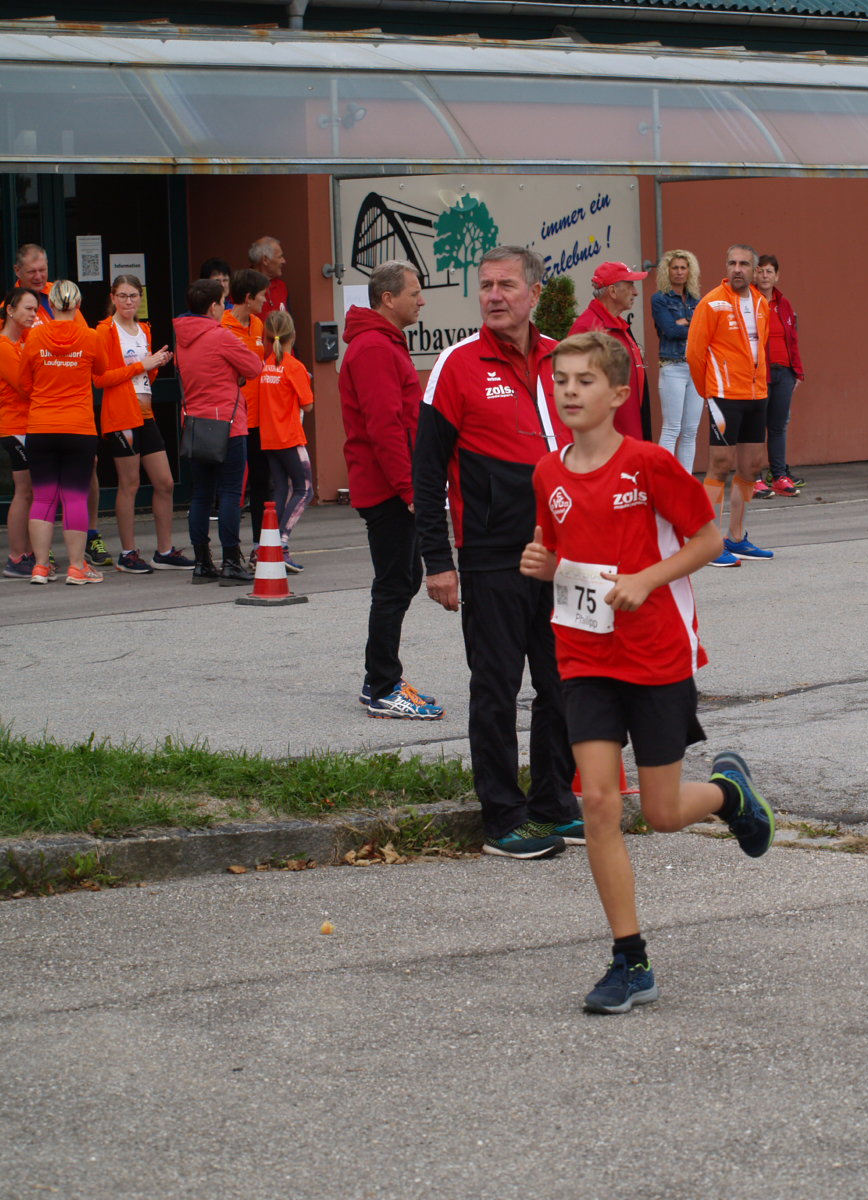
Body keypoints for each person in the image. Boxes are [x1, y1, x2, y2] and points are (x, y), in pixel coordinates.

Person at [521, 330, 775, 1014]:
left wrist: (647, 578)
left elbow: (709, 539)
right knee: (599, 804)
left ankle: (728, 794)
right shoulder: (547, 473)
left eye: (584, 381)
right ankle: (629, 960)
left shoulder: (648, 463)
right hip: (584, 655)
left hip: (655, 654)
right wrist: (545, 565)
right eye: (561, 381)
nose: (569, 391)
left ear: (618, 394)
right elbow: (565, 554)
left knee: (661, 813)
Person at [414, 245, 583, 859]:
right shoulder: (457, 364)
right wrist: (438, 561)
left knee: (565, 683)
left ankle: (554, 804)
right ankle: (503, 818)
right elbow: (426, 473)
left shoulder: (565, 359)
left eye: (506, 285)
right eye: (485, 285)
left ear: (534, 293)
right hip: (491, 554)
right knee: (496, 687)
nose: (493, 295)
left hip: (564, 554)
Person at [340, 260, 444, 720]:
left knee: (403, 580)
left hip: (392, 485)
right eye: (414, 292)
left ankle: (379, 680)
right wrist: (409, 490)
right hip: (386, 488)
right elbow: (384, 426)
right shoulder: (374, 348)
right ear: (388, 298)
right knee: (395, 584)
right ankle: (382, 686)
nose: (421, 300)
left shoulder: (382, 343)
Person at [21, 280, 161, 585]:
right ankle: (76, 567)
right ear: (78, 305)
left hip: (41, 425)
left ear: (50, 305)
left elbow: (24, 381)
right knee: (74, 497)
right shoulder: (90, 337)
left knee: (42, 498)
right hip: (77, 426)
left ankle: (41, 567)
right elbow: (99, 371)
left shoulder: (34, 336)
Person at [685, 243, 775, 567]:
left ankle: (736, 538)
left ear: (754, 270)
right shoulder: (712, 303)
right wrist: (709, 392)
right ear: (726, 267)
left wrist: (760, 386)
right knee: (720, 465)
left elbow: (760, 349)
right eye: (732, 263)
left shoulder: (762, 303)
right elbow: (694, 353)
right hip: (724, 395)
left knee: (751, 466)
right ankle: (708, 543)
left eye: (744, 264)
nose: (737, 269)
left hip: (756, 395)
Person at [96, 274, 188, 575]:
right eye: (122, 296)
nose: (128, 301)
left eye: (133, 295)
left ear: (140, 298)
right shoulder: (104, 331)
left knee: (165, 482)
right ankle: (127, 553)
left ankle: (164, 551)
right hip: (121, 415)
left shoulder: (143, 329)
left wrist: (156, 363)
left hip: (146, 413)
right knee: (130, 483)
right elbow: (100, 378)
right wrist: (141, 365)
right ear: (113, 298)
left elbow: (145, 377)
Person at [173, 278, 263, 585]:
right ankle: (231, 561)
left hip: (195, 423)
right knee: (229, 494)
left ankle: (202, 563)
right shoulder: (220, 335)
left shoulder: (182, 337)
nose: (224, 308)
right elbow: (254, 367)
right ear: (212, 306)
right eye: (223, 303)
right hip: (227, 422)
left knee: (201, 495)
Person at [0, 287, 38, 578]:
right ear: (11, 311)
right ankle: (17, 557)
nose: (33, 314)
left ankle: (28, 553)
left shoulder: (21, 341)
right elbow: (26, 387)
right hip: (16, 427)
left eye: (35, 309)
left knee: (31, 492)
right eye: (28, 308)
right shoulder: (2, 346)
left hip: (28, 425)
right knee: (24, 491)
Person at [258, 310, 314, 573]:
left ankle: (269, 547)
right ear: (293, 335)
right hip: (290, 436)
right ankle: (281, 543)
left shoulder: (265, 365)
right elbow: (308, 405)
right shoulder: (294, 366)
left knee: (281, 489)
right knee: (305, 489)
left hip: (269, 438)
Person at [568, 261, 649, 439]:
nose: (635, 292)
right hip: (607, 437)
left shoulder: (618, 325)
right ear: (612, 291)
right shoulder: (587, 328)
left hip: (628, 430)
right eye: (630, 285)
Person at [221, 269, 272, 544]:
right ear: (249, 297)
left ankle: (260, 546)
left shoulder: (258, 324)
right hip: (234, 417)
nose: (266, 300)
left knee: (263, 483)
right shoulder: (222, 324)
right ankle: (231, 548)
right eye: (262, 295)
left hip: (259, 418)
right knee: (232, 488)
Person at [753, 253, 805, 497]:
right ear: (755, 274)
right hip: (757, 373)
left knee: (777, 426)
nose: (765, 276)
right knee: (754, 426)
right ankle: (754, 477)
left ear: (777, 276)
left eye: (769, 271)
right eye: (761, 271)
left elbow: (792, 338)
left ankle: (779, 475)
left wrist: (797, 372)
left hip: (784, 372)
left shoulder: (784, 304)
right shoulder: (747, 301)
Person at [651, 249, 703, 472]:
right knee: (672, 428)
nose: (679, 272)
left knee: (690, 431)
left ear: (690, 271)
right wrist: (694, 326)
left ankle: (685, 480)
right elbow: (670, 330)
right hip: (672, 366)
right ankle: (664, 480)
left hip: (696, 367)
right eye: (675, 268)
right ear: (667, 271)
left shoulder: (696, 300)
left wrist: (685, 324)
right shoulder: (660, 299)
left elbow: (707, 331)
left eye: (683, 268)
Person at [249, 237, 288, 316]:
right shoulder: (242, 287)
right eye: (280, 257)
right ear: (265, 260)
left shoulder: (281, 286)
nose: (283, 261)